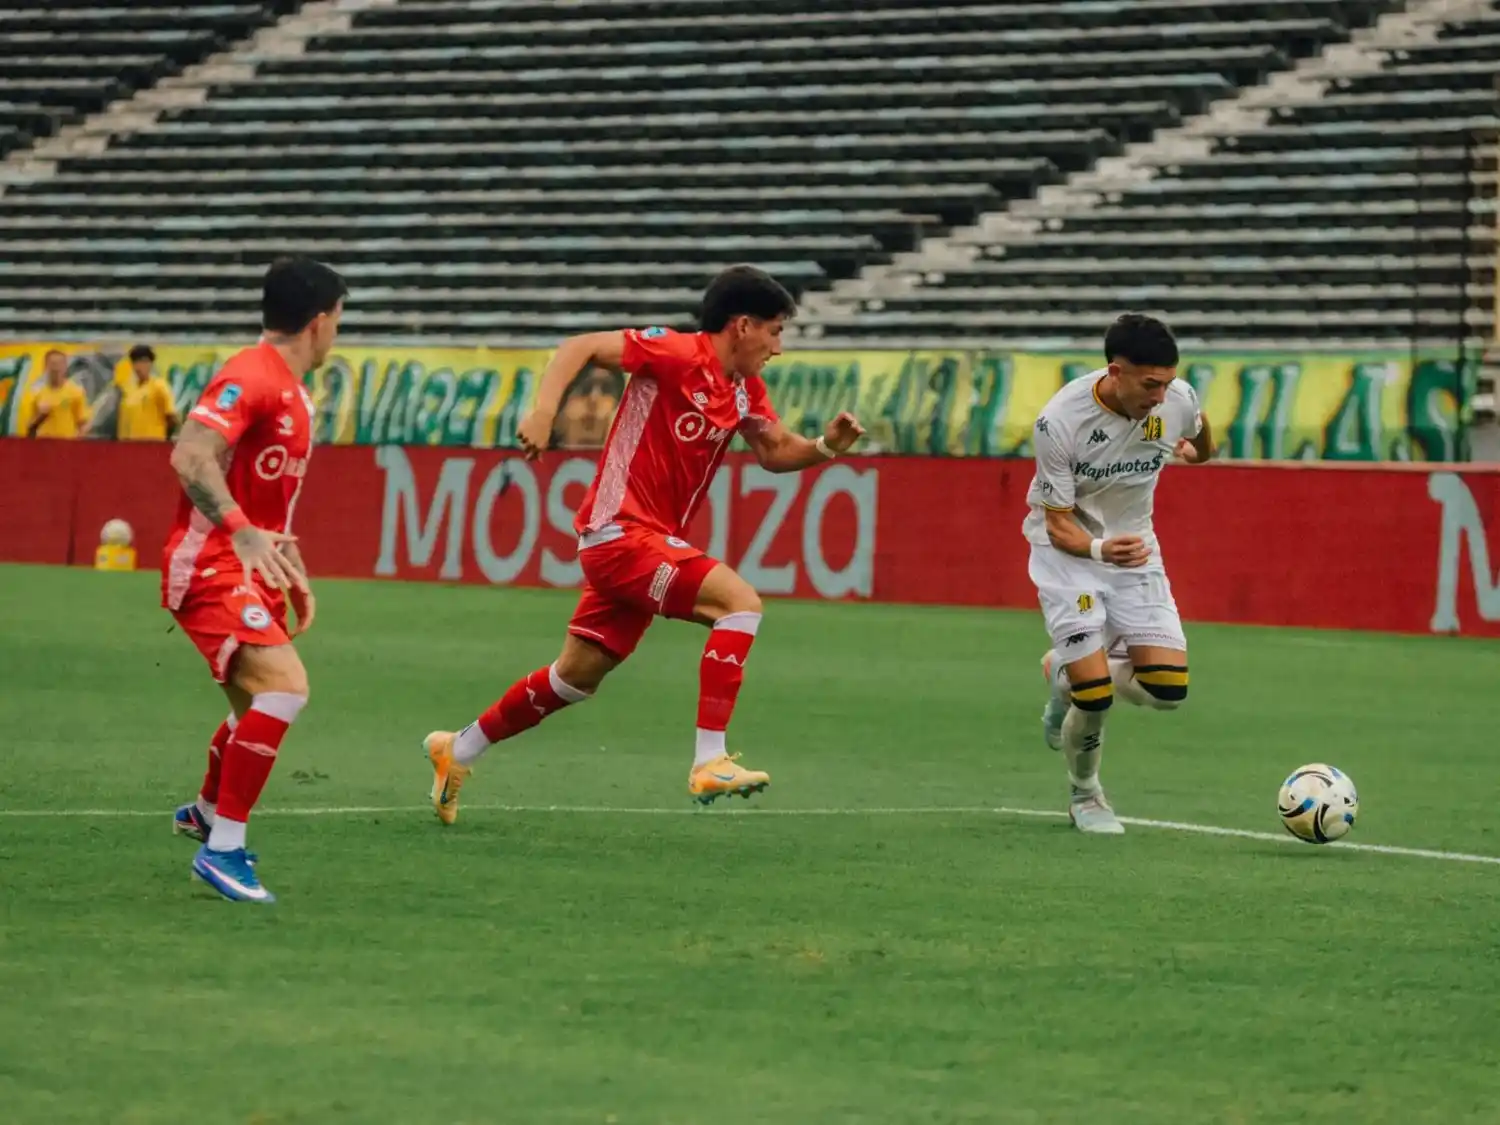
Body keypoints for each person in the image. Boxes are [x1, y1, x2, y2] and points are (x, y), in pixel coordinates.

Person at [422, 265, 865, 823]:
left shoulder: (744, 389)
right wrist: (543, 412)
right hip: (619, 532)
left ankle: (457, 749)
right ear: (743, 326)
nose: (778, 347)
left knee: (575, 677)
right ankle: (710, 759)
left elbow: (775, 451)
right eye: (775, 332)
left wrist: (828, 446)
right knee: (740, 605)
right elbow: (580, 347)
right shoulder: (676, 353)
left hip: (647, 542)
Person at [162, 256, 347, 902]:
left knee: (254, 709)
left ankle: (209, 812)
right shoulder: (252, 376)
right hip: (211, 561)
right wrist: (241, 528)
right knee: (286, 686)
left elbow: (262, 496)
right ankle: (222, 850)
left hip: (245, 565)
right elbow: (190, 454)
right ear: (320, 322)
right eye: (339, 322)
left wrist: (286, 565)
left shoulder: (291, 389)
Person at [1024, 313, 1215, 834]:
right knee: (1096, 697)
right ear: (1115, 372)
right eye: (1150, 384)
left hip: (1136, 552)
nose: (1160, 396)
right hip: (1071, 558)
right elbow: (1058, 525)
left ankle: (1064, 670)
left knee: (1168, 690)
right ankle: (1086, 796)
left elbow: (1200, 433)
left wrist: (1196, 454)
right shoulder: (1059, 422)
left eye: (1168, 383)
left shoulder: (1176, 400)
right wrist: (1102, 549)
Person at [20, 349, 90, 438]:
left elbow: (83, 424)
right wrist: (40, 416)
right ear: (45, 367)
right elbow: (30, 428)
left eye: (59, 364)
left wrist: (75, 443)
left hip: (65, 445)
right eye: (52, 364)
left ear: (65, 367)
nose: (56, 368)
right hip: (43, 445)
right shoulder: (37, 394)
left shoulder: (76, 392)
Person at [117, 344, 180, 441]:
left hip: (152, 444)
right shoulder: (128, 389)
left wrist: (165, 439)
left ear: (150, 363)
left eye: (143, 361)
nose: (139, 366)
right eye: (135, 361)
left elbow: (172, 417)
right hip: (129, 445)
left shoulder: (159, 386)